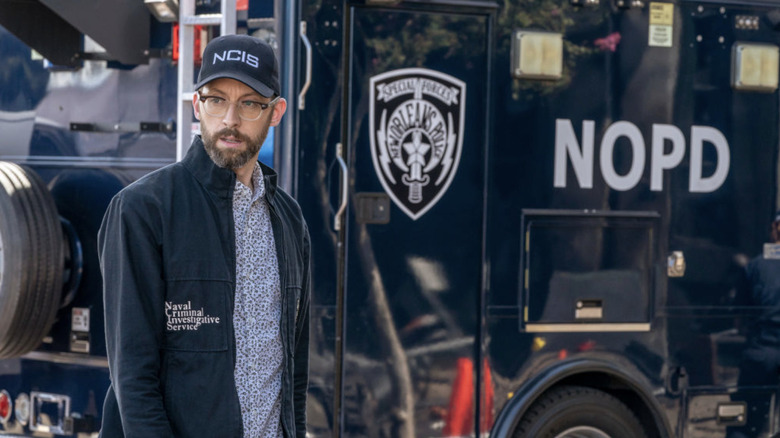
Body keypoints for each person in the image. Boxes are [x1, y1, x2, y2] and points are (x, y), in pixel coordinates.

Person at [97, 34, 310, 438]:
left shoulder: (289, 219)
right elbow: (133, 377)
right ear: (197, 105)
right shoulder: (143, 210)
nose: (230, 119)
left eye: (249, 103)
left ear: (276, 112)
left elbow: (294, 370)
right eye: (216, 100)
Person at [727, 210, 780, 437]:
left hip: (761, 351)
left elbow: (739, 317)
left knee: (746, 419)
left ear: (776, 229)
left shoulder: (755, 266)